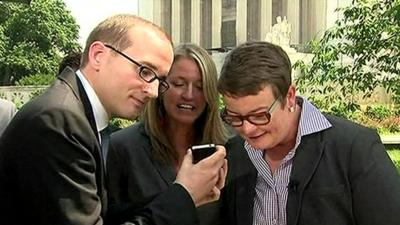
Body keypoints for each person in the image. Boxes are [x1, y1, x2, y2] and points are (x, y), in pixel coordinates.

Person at [0, 14, 227, 225]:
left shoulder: (75, 113)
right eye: (145, 71)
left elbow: (102, 214)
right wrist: (183, 195)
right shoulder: (59, 121)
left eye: (160, 79)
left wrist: (186, 194)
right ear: (99, 55)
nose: (154, 91)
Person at [218, 41, 400, 225]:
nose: (247, 129)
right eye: (234, 117)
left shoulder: (355, 148)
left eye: (259, 116)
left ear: (289, 96)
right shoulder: (234, 153)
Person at [107, 43, 229, 225]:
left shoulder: (226, 147)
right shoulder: (122, 146)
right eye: (179, 84)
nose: (189, 94)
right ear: (161, 87)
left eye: (200, 86)